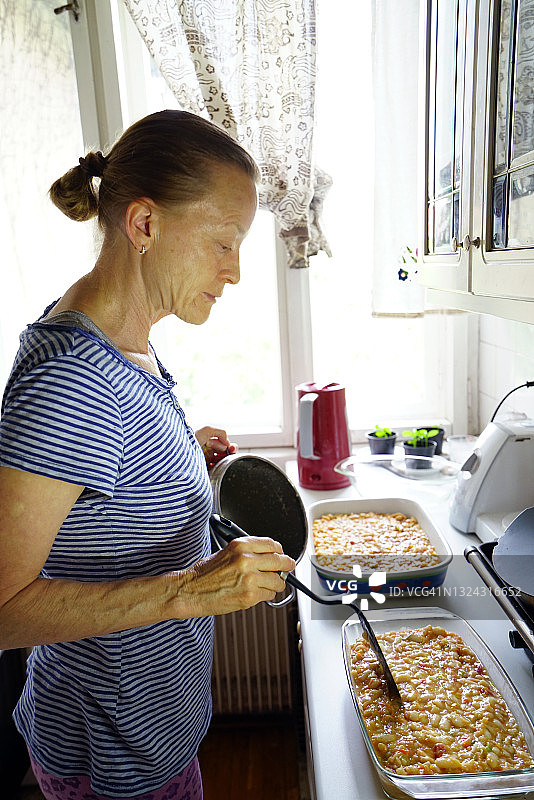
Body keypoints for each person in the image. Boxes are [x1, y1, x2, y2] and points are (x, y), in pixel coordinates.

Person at [0, 109, 296, 800]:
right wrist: (191, 591)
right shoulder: (72, 376)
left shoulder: (123, 341)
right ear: (144, 224)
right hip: (111, 752)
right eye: (225, 241)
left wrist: (178, 456)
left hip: (148, 726)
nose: (236, 271)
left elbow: (89, 487)